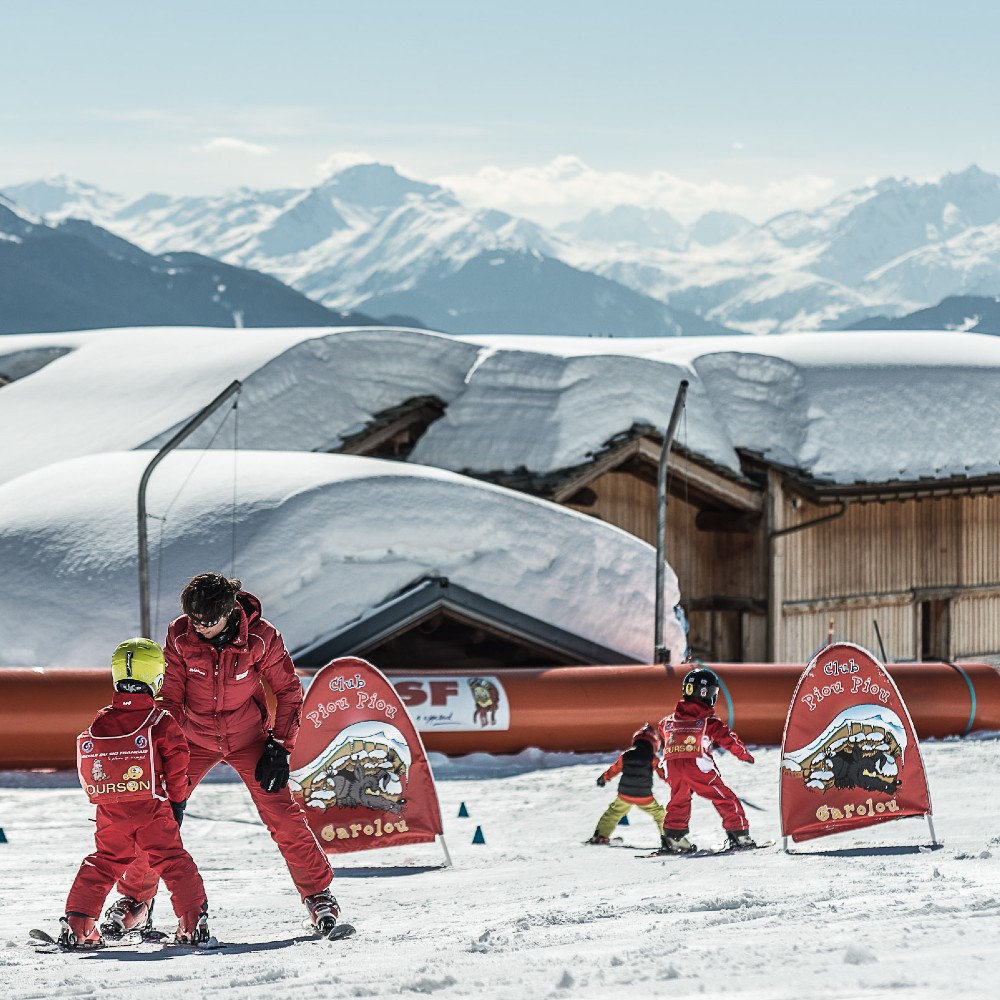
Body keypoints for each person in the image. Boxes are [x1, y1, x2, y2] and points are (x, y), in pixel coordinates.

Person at [103, 574, 342, 937]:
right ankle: (135, 898)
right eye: (196, 621)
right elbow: (170, 699)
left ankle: (318, 894)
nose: (201, 628)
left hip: (248, 738)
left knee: (282, 813)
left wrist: (280, 747)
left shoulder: (262, 637)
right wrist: (167, 756)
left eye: (209, 622)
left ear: (230, 612)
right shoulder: (181, 636)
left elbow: (289, 691)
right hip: (193, 739)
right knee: (160, 816)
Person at [61, 638, 210, 948]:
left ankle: (78, 925)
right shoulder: (159, 721)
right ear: (156, 677)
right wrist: (177, 802)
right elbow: (178, 768)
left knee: (103, 862)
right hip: (150, 808)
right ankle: (191, 923)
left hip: (110, 809)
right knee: (172, 861)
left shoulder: (101, 720)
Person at [658, 666, 756, 853]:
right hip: (697, 767)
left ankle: (674, 837)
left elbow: (662, 730)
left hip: (673, 766)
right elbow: (728, 739)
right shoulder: (709, 721)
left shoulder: (668, 721)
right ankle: (739, 834)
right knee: (724, 797)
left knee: (679, 799)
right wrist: (744, 755)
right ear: (706, 693)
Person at [588, 723, 671, 849]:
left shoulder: (626, 755)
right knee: (660, 815)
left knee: (612, 813)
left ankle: (600, 836)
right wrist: (676, 783)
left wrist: (604, 778)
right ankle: (668, 840)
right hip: (644, 797)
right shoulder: (652, 758)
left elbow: (615, 769)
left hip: (624, 794)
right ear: (654, 743)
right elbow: (663, 774)